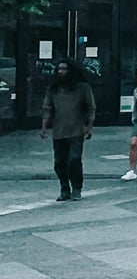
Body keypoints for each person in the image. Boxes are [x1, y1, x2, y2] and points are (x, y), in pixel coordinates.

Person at [40, 58, 95, 201]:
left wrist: (89, 127)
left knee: (74, 160)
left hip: (77, 129)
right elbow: (47, 108)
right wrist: (44, 127)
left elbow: (90, 107)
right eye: (59, 69)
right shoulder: (53, 89)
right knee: (59, 162)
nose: (61, 72)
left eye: (64, 69)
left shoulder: (82, 88)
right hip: (59, 131)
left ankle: (77, 187)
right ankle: (65, 188)